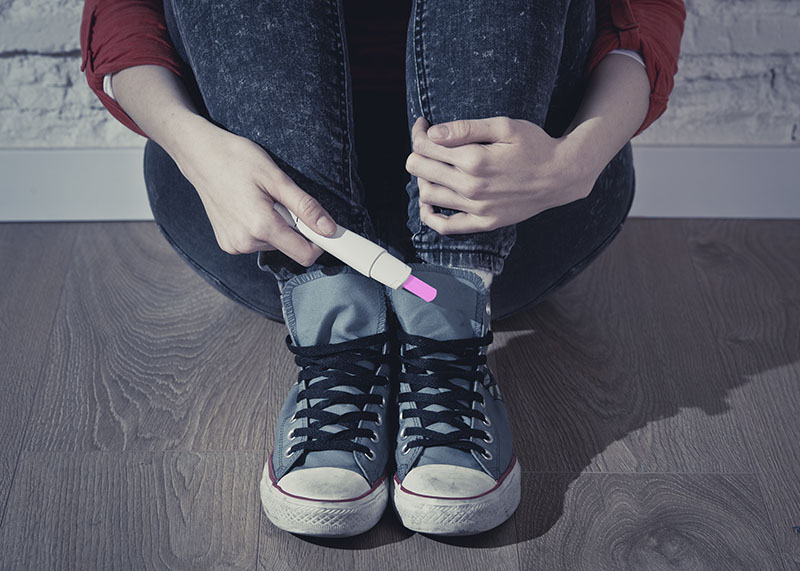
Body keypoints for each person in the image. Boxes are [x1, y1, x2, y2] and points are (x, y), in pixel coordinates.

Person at [80, 0, 685, 537]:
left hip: (517, 209)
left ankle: (448, 325)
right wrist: (192, 145)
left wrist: (577, 159)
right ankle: (336, 331)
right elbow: (122, 15)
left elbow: (644, 12)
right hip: (263, 215)